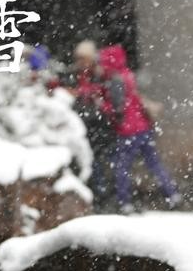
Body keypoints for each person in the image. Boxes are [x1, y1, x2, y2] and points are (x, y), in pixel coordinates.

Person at [98, 44, 180, 213]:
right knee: (154, 163)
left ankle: (124, 202)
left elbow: (118, 108)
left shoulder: (115, 80)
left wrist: (102, 105)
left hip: (128, 130)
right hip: (143, 126)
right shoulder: (127, 75)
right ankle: (172, 194)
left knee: (122, 167)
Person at [69, 40, 114, 206]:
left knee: (100, 162)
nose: (80, 62)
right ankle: (99, 195)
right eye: (78, 59)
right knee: (93, 162)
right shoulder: (77, 74)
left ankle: (103, 196)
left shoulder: (99, 74)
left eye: (83, 58)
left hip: (99, 124)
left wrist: (83, 93)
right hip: (86, 124)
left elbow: (103, 95)